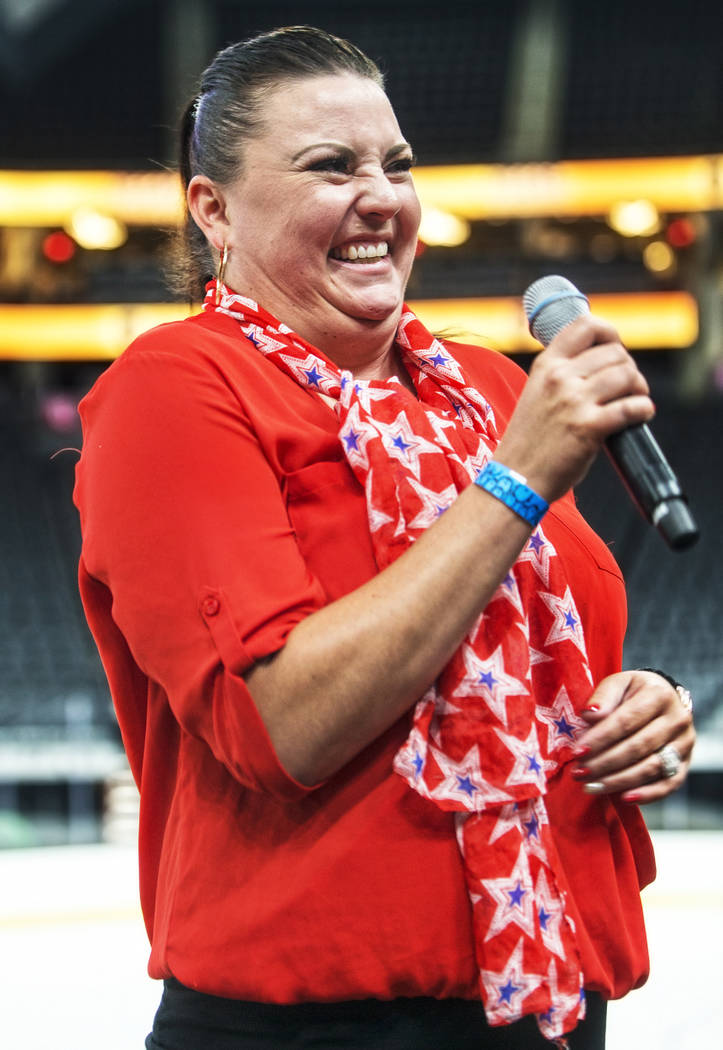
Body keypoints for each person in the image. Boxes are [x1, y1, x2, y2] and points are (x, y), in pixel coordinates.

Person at [73, 25, 695, 1050]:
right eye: (332, 166)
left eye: (396, 165)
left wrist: (644, 702)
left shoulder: (491, 387)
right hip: (323, 1025)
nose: (382, 198)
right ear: (213, 208)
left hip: (550, 997)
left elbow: (549, 651)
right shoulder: (175, 390)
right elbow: (285, 725)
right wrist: (513, 481)